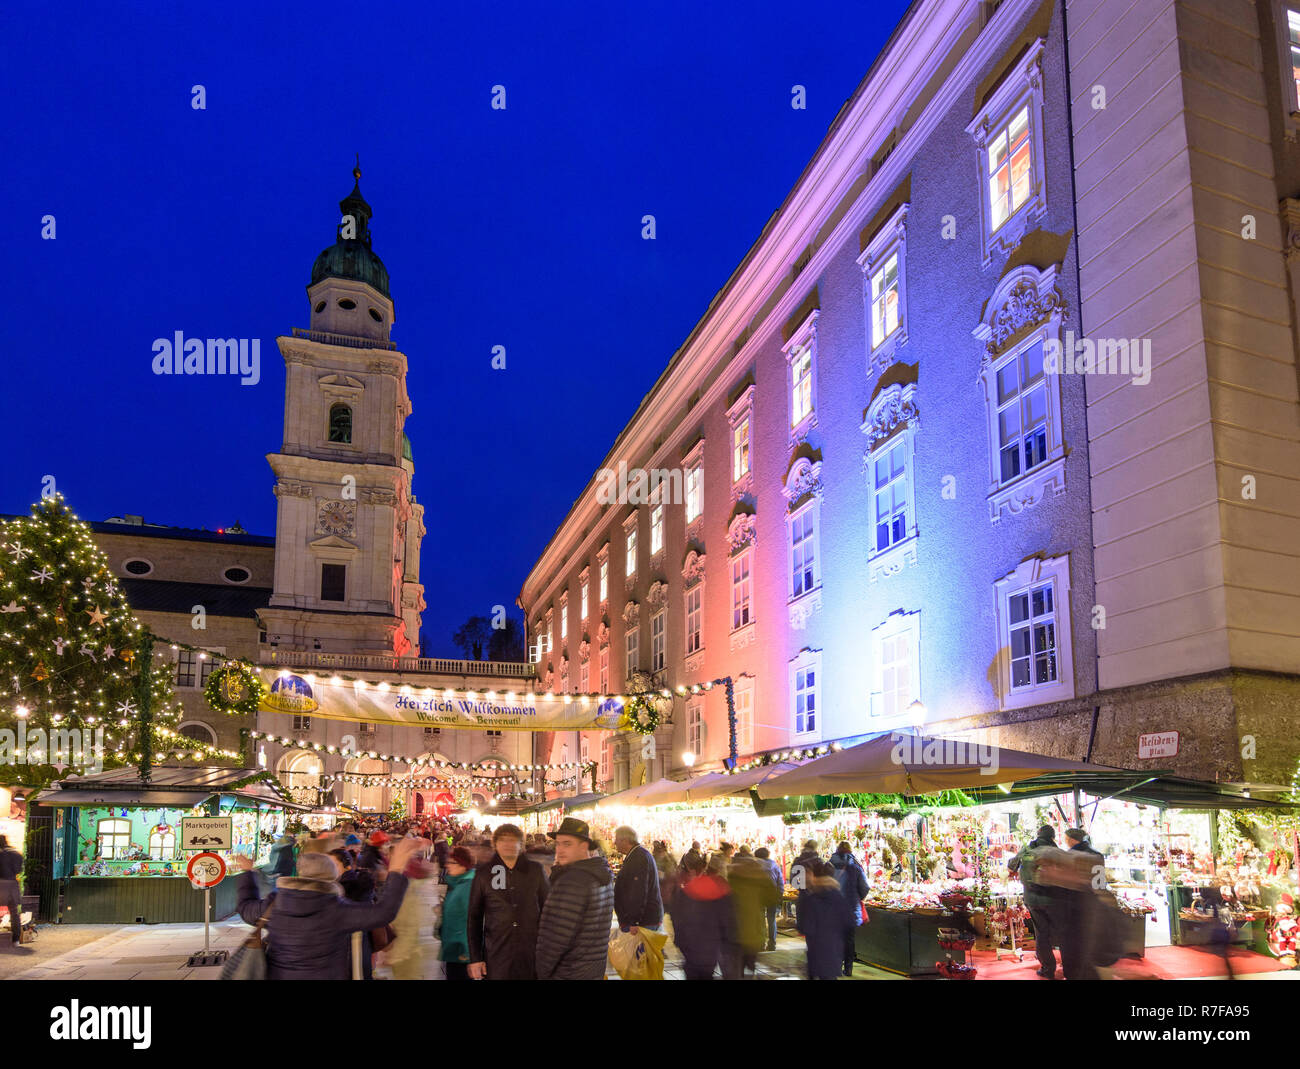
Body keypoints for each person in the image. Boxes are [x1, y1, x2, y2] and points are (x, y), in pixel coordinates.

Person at [233, 836, 426, 980]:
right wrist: (397, 869)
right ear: (331, 877)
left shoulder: (274, 904)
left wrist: (247, 872)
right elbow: (383, 913)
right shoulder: (335, 909)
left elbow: (244, 907)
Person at [535, 818, 615, 980]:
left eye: (567, 844)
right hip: (592, 970)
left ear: (584, 846)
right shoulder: (601, 875)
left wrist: (540, 973)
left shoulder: (572, 881)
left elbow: (555, 938)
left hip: (568, 971)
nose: (560, 850)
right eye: (558, 844)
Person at [467, 824, 549, 980]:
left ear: (521, 844)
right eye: (503, 840)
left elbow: (548, 909)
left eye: (513, 840)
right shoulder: (484, 874)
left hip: (531, 952)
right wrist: (476, 958)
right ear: (495, 844)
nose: (508, 844)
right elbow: (474, 918)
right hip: (497, 953)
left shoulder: (536, 870)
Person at [1008, 825, 1067, 979]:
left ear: (1038, 834)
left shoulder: (1028, 848)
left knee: (1041, 933)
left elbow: (1011, 865)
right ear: (1052, 837)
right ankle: (1068, 967)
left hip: (1033, 898)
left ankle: (1048, 969)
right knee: (1062, 933)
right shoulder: (1059, 852)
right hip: (1055, 899)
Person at [668, 852, 735, 980]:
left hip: (691, 947)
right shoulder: (720, 888)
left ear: (690, 869)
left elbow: (677, 920)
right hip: (712, 947)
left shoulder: (684, 892)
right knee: (706, 974)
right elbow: (728, 920)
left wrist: (680, 941)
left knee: (693, 973)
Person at [724, 847, 782, 978]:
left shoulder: (731, 879)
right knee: (749, 968)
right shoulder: (759, 879)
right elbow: (773, 897)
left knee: (736, 970)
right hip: (753, 936)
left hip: (733, 936)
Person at [384, 851, 442, 980]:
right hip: (427, 952)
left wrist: (396, 955)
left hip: (412, 955)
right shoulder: (427, 887)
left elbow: (410, 927)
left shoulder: (409, 892)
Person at [1061, 827, 1106, 981]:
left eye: (1065, 838)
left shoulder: (1068, 856)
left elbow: (1064, 884)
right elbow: (1100, 883)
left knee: (1071, 942)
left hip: (1072, 904)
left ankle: (1073, 973)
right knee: (1090, 940)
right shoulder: (1097, 855)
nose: (1064, 841)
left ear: (1072, 840)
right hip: (1092, 904)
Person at [799, 861, 854, 980]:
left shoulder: (810, 899)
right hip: (834, 950)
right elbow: (849, 921)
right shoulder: (838, 897)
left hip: (816, 951)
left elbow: (805, 927)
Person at [827, 841, 869, 976]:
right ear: (850, 851)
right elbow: (865, 887)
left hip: (833, 908)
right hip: (851, 908)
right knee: (849, 939)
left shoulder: (828, 867)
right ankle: (849, 968)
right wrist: (858, 897)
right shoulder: (856, 867)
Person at [613, 826, 663, 932]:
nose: (614, 843)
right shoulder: (637, 855)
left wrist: (633, 921)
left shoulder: (638, 858)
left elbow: (638, 892)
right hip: (644, 920)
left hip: (643, 922)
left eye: (616, 839)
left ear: (625, 840)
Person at [439, 846, 476, 980]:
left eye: (451, 862)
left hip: (462, 953)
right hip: (454, 948)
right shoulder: (457, 883)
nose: (447, 865)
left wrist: (470, 955)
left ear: (463, 865)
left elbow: (472, 922)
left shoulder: (467, 886)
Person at [753, 846, 784, 951]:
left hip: (759, 895)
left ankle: (761, 943)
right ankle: (772, 944)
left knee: (760, 920)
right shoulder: (774, 865)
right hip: (772, 894)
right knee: (771, 920)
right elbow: (780, 881)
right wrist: (779, 895)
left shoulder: (754, 866)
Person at [0, 836, 23, 947]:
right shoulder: (17, 854)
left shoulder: (1, 854)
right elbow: (19, 870)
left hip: (1, 884)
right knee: (14, 913)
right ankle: (16, 940)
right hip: (13, 884)